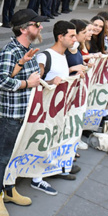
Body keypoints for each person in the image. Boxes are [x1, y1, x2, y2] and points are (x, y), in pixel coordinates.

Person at [0, 9, 44, 216]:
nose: (40, 27)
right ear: (23, 28)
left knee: (15, 155)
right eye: (35, 24)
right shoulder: (10, 50)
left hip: (25, 113)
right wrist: (26, 83)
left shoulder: (27, 50)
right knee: (3, 156)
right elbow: (0, 81)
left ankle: (10, 190)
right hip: (11, 115)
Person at [35, 20, 82, 186]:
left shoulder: (63, 56)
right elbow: (36, 79)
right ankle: (37, 178)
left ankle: (52, 169)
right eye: (72, 36)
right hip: (46, 111)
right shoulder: (44, 56)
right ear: (60, 37)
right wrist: (49, 80)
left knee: (56, 138)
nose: (75, 39)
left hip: (59, 110)